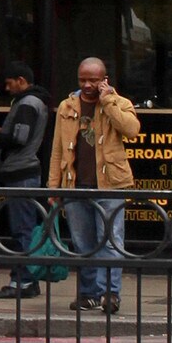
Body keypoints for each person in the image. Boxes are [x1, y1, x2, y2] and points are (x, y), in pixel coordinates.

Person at [48, 54, 139, 315]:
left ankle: (110, 294)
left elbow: (131, 130)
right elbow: (57, 149)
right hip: (75, 184)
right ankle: (89, 295)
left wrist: (108, 99)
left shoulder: (118, 102)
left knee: (110, 241)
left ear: (104, 80)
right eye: (82, 80)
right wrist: (53, 187)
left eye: (93, 80)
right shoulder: (67, 106)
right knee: (82, 243)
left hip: (110, 185)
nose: (87, 85)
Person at [0, 63, 53, 298]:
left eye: (10, 83)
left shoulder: (27, 104)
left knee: (23, 230)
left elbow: (19, 139)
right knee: (25, 227)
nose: (7, 88)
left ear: (21, 80)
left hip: (21, 173)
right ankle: (26, 280)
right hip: (24, 172)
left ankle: (23, 282)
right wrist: (1, 131)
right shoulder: (32, 102)